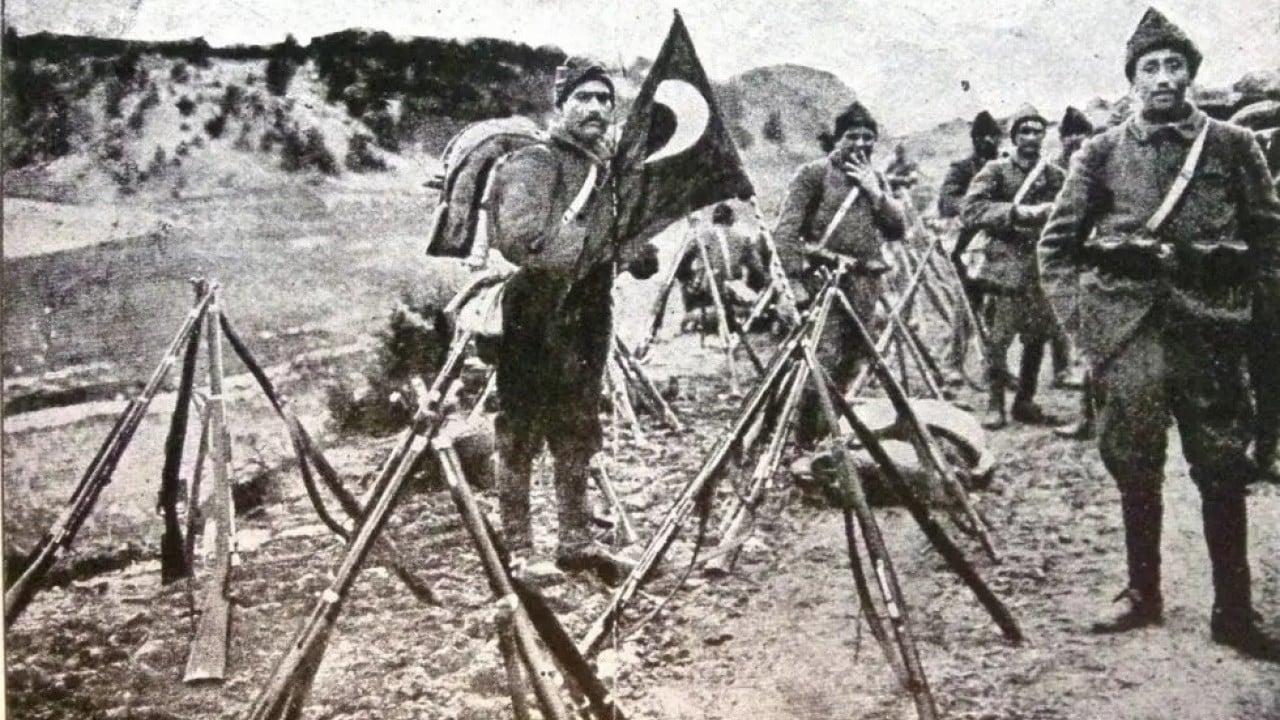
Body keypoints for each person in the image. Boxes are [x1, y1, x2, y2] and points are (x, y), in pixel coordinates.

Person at [1038, 8, 1280, 660]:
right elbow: (1056, 247)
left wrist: (1261, 326)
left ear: (1193, 76)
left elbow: (1268, 243)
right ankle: (1142, 592)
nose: (1164, 79)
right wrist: (1086, 328)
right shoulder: (1101, 151)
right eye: (1152, 68)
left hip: (1210, 330)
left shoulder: (1235, 146)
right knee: (1135, 463)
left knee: (1223, 467)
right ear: (1133, 80)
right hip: (1128, 331)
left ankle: (1235, 611)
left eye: (1176, 66)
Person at [488, 56, 658, 582]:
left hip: (586, 312)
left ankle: (576, 541)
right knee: (520, 428)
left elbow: (616, 242)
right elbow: (519, 240)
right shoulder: (536, 161)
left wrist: (635, 252)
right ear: (560, 105)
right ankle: (517, 550)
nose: (596, 108)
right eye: (584, 98)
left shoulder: (605, 172)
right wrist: (595, 248)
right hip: (534, 311)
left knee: (578, 426)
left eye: (605, 99)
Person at [774, 101, 907, 444]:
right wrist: (792, 283)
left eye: (868, 137)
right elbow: (786, 232)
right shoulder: (813, 174)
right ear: (837, 139)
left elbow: (896, 230)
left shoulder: (875, 179)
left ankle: (828, 432)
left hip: (866, 282)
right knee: (823, 357)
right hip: (825, 281)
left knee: (853, 356)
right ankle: (805, 436)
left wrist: (876, 193)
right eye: (853, 136)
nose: (861, 144)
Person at [961, 104, 1064, 429]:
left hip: (1041, 267)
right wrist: (1017, 213)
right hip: (1003, 268)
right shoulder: (995, 171)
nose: (1031, 137)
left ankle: (1025, 400)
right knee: (999, 340)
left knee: (1037, 338)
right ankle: (995, 405)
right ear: (1014, 136)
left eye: (1037, 131)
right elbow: (971, 210)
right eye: (1024, 131)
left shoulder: (1055, 175)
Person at [939, 111, 1003, 386]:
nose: (988, 140)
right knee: (967, 307)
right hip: (969, 249)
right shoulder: (962, 169)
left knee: (998, 312)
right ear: (974, 139)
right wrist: (978, 208)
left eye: (993, 136)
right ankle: (952, 363)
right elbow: (946, 202)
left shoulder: (1005, 167)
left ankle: (995, 368)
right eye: (982, 136)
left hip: (999, 246)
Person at [1051, 106, 1101, 440]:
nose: (1076, 146)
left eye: (1081, 140)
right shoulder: (1053, 171)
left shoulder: (1103, 165)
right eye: (1070, 141)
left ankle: (1091, 418)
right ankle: (1089, 417)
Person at [675, 202, 768, 332]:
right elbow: (758, 270)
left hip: (707, 292)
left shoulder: (701, 237)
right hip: (732, 291)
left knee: (687, 280)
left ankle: (695, 314)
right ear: (731, 219)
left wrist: (690, 280)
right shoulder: (742, 239)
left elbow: (680, 266)